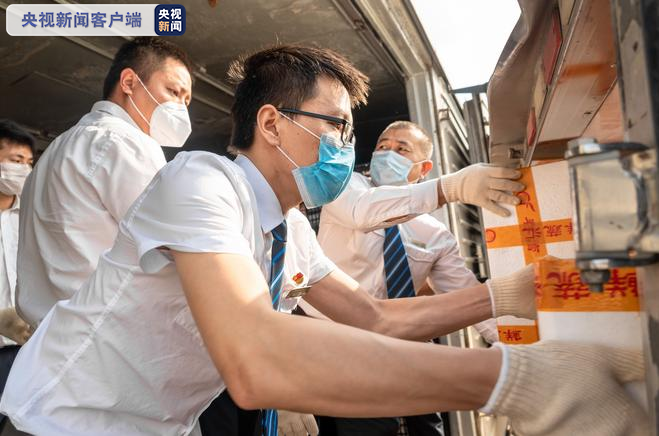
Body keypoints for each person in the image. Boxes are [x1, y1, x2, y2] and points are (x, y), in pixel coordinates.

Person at [0, 45, 646, 436]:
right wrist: (519, 379)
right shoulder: (199, 182)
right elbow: (254, 358)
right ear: (272, 124)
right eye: (335, 125)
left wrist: (508, 294)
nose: (347, 145)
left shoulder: (288, 231)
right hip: (64, 422)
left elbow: (377, 318)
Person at [295, 120, 503, 436]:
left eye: (401, 149)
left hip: (400, 342)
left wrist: (515, 343)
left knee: (427, 427)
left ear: (424, 168)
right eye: (383, 146)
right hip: (330, 336)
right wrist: (448, 188)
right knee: (372, 428)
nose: (387, 153)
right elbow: (364, 212)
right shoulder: (346, 187)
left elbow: (468, 299)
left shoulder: (436, 235)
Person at [16, 36, 194, 328]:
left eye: (186, 101)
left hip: (50, 333)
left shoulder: (58, 147)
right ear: (129, 82)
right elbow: (174, 246)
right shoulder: (126, 142)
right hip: (102, 334)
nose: (180, 108)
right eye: (174, 91)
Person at [0, 120, 35, 430]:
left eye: (28, 162)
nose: (24, 169)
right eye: (16, 160)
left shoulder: (31, 215)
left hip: (20, 346)